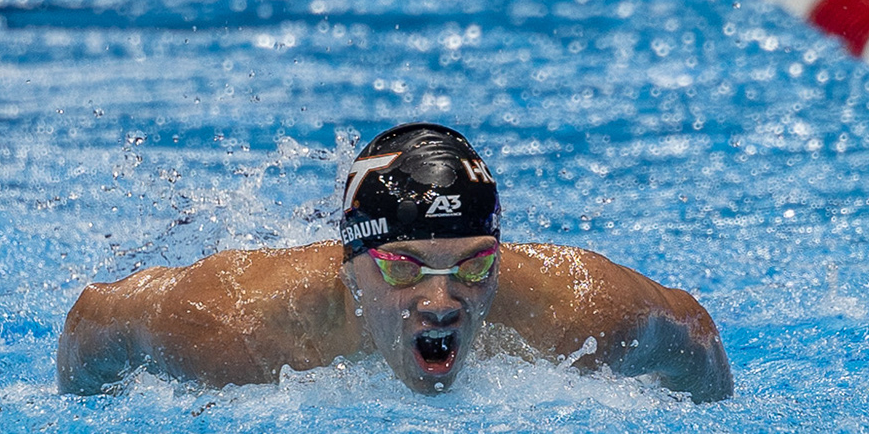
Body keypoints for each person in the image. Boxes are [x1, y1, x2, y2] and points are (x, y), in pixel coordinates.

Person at [57, 124, 732, 401]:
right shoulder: (232, 328)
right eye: (404, 267)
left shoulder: (583, 315)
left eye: (472, 267)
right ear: (350, 263)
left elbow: (695, 335)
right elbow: (94, 320)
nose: (442, 302)